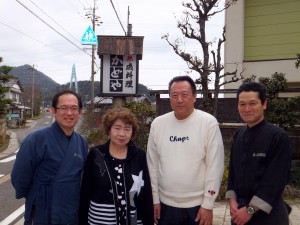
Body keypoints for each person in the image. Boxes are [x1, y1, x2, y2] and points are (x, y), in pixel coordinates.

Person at [147, 75, 224, 225]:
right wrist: (154, 199)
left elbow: (215, 167)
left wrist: (208, 204)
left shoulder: (208, 123)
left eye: (184, 95)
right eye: (174, 95)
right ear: (169, 97)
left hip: (197, 206)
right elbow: (152, 165)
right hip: (165, 205)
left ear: (194, 97)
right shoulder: (158, 124)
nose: (179, 100)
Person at [11, 90, 88, 225]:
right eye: (63, 108)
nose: (69, 113)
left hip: (71, 210)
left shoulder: (81, 142)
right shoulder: (37, 139)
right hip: (43, 210)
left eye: (74, 108)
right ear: (53, 111)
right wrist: (36, 196)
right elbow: (19, 177)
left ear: (80, 112)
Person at [226, 82, 292, 225]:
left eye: (253, 103)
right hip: (239, 214)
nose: (247, 109)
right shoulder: (238, 136)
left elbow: (275, 181)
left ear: (264, 104)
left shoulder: (278, 137)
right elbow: (232, 173)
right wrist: (232, 201)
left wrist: (250, 210)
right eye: (242, 104)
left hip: (269, 215)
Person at [78, 107, 154, 225]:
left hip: (133, 220)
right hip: (100, 220)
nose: (122, 134)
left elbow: (146, 192)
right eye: (117, 128)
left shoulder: (139, 155)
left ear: (132, 132)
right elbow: (86, 191)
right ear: (108, 130)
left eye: (127, 129)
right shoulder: (96, 154)